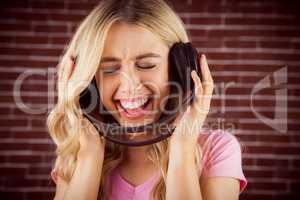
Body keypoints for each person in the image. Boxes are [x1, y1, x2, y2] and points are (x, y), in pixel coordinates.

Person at [47, 0, 247, 199]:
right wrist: (90, 157)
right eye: (109, 69)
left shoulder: (217, 150)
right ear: (89, 81)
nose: (130, 85)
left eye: (146, 65)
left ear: (180, 70)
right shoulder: (75, 156)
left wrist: (182, 149)